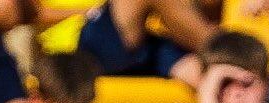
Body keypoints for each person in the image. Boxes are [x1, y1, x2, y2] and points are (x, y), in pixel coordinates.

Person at [75, 0, 220, 86]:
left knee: (201, 71)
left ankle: (229, 56)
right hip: (87, 43)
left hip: (141, 44)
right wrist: (83, 11)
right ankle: (229, 50)